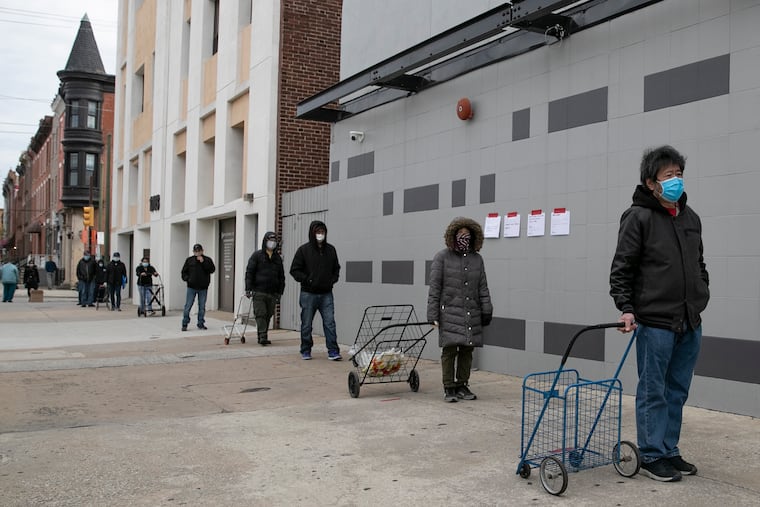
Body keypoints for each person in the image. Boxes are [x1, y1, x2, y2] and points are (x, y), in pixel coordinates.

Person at [610, 145, 709, 483]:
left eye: (679, 174)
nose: (676, 180)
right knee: (654, 390)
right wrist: (626, 308)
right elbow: (622, 267)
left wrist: (700, 295)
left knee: (677, 389)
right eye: (669, 175)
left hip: (689, 319)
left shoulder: (690, 216)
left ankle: (668, 449)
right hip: (655, 322)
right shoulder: (637, 217)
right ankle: (651, 454)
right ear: (651, 182)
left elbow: (699, 263)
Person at [427, 217, 493, 402]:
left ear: (474, 237)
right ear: (453, 236)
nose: (464, 238)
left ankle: (462, 384)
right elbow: (434, 289)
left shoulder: (477, 259)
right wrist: (432, 315)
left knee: (467, 349)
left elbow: (483, 287)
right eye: (460, 234)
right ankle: (449, 387)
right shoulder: (442, 257)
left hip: (471, 312)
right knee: (450, 350)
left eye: (467, 235)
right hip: (449, 312)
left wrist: (487, 309)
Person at [289, 220, 341, 361]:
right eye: (318, 232)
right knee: (306, 324)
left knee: (330, 322)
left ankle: (333, 351)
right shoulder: (303, 250)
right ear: (312, 233)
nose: (320, 235)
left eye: (322, 232)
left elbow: (336, 268)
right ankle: (305, 350)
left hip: (326, 294)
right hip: (308, 294)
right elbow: (294, 270)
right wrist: (307, 279)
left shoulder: (331, 250)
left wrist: (332, 280)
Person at [245, 231, 285, 346]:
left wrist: (280, 292)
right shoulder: (257, 256)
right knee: (260, 313)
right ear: (265, 241)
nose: (272, 243)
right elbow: (250, 272)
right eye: (270, 240)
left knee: (268, 314)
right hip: (259, 290)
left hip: (272, 292)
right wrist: (248, 288)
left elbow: (281, 276)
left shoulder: (277, 258)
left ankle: (262, 334)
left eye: (274, 241)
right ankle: (263, 335)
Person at [181, 243, 215, 331]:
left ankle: (201, 323)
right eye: (196, 251)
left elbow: (212, 270)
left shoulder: (207, 260)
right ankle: (185, 323)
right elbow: (184, 272)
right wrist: (187, 279)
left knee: (202, 307)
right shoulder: (189, 260)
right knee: (188, 306)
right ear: (193, 252)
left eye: (199, 251)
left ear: (202, 251)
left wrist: (203, 262)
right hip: (191, 287)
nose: (197, 253)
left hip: (203, 287)